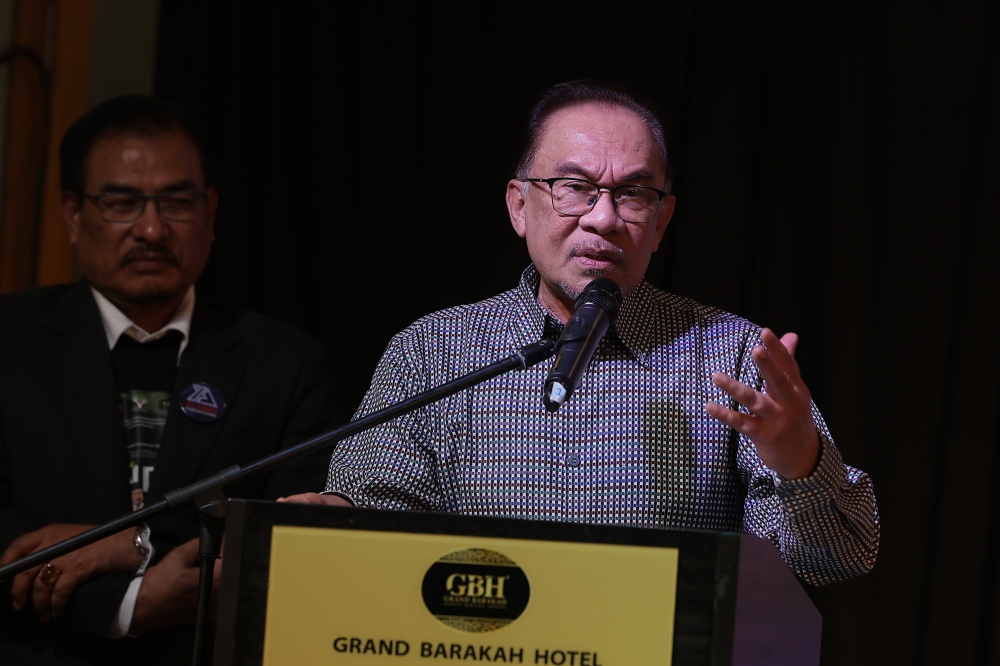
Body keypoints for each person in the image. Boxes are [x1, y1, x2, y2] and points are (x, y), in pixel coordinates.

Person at [285, 81, 878, 586]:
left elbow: (841, 558)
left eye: (633, 194)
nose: (602, 217)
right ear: (520, 206)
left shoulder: (734, 357)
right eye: (574, 187)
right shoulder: (435, 350)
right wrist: (334, 519)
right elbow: (375, 526)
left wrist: (803, 463)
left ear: (663, 220)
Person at [0, 95, 334, 664]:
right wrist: (125, 606)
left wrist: (134, 544)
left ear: (211, 211)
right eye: (122, 203)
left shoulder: (284, 362)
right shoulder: (10, 339)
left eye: (177, 202)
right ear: (74, 214)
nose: (152, 229)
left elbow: (297, 540)